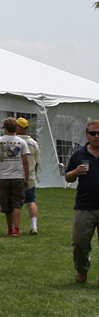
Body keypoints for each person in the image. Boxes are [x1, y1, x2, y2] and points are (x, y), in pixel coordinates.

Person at [66, 120, 99, 284]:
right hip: (85, 205)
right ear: (87, 135)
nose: (97, 136)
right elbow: (67, 177)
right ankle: (81, 270)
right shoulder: (79, 154)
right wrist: (76, 172)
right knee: (79, 242)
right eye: (93, 133)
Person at [0, 117, 30, 237]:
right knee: (17, 203)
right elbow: (25, 161)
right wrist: (27, 178)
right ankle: (16, 229)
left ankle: (9, 229)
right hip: (18, 176)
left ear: (6, 128)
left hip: (4, 177)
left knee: (6, 204)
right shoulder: (21, 142)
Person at [16, 118, 41, 235]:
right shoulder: (33, 143)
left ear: (20, 128)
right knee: (31, 201)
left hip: (16, 175)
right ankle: (34, 226)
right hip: (30, 175)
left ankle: (14, 227)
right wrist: (32, 175)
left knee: (16, 202)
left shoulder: (15, 141)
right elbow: (36, 162)